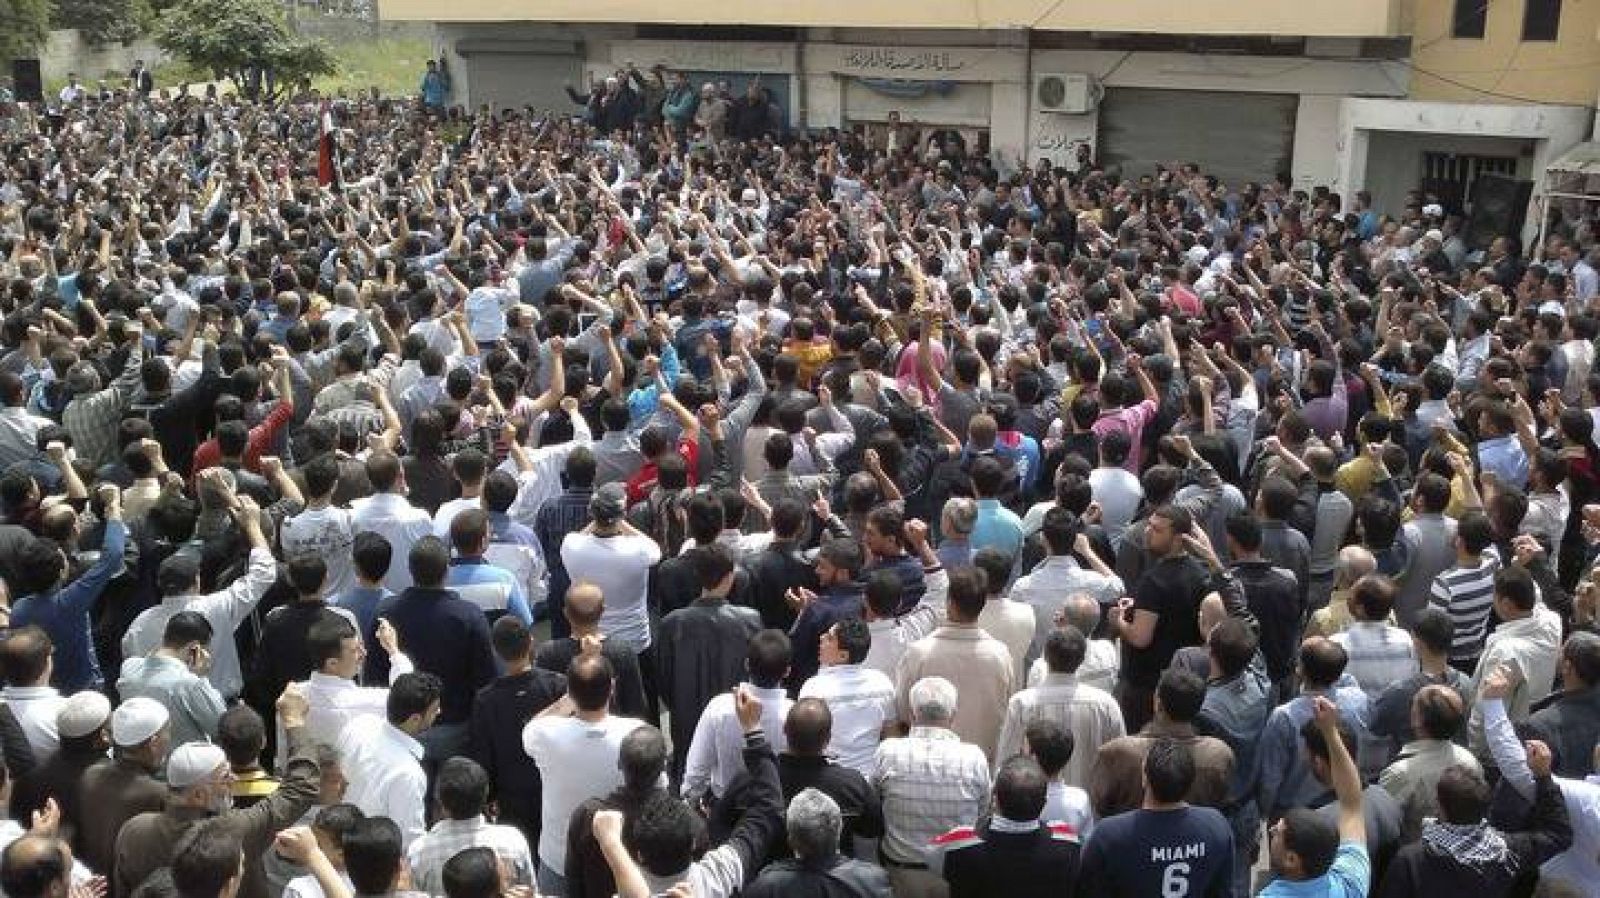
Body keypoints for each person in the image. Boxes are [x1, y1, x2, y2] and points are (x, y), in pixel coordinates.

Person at [113, 686, 320, 898]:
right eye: (224, 778)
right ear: (198, 796)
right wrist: (294, 722)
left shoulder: (134, 831)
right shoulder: (231, 831)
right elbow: (301, 787)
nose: (233, 780)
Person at [122, 491, 278, 702]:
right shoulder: (216, 607)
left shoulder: (139, 625)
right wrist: (252, 526)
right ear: (197, 581)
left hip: (163, 715)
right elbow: (264, 572)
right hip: (219, 706)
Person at [522, 653, 648, 895]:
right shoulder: (636, 734)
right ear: (612, 687)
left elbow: (531, 727)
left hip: (559, 859)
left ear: (570, 690)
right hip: (619, 858)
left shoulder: (545, 734)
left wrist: (570, 696)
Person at [364, 537, 496, 763]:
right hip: (454, 725)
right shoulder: (469, 616)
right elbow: (485, 677)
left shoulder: (385, 612)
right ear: (447, 571)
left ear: (410, 570)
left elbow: (373, 673)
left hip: (400, 727)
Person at [872, 677, 991, 898]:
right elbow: (983, 814)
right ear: (953, 716)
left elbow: (875, 804)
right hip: (955, 875)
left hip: (901, 873)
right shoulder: (974, 757)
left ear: (912, 714)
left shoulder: (887, 752)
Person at [657, 544, 763, 782]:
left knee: (687, 779)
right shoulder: (750, 620)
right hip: (735, 717)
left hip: (686, 720)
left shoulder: (671, 624)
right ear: (729, 576)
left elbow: (663, 682)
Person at [1076, 739, 1235, 898]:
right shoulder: (1216, 825)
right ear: (1190, 780)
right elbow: (1223, 891)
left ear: (1145, 777)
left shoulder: (1108, 835)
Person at [10, 482, 126, 692]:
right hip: (82, 689)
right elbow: (113, 555)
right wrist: (114, 510)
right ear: (60, 572)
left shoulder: (18, 610)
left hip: (47, 688)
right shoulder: (69, 602)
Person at [466, 615, 565, 852]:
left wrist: (488, 797)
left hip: (511, 797)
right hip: (553, 788)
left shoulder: (485, 700)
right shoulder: (557, 686)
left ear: (496, 651)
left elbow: (482, 753)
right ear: (531, 642)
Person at [1259, 697, 1372, 898]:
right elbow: (1351, 804)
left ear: (1292, 859)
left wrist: (1329, 731)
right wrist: (1330, 731)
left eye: (1278, 832)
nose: (1271, 829)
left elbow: (1350, 804)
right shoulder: (1350, 883)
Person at [1089, 667, 1235, 819]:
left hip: (1130, 839)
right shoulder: (1219, 754)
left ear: (1157, 703)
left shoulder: (1116, 753)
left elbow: (1098, 805)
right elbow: (1223, 804)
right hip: (1196, 839)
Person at [929, 755, 1082, 898]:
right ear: (1043, 804)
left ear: (995, 800)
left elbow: (931, 858)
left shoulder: (959, 844)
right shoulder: (1068, 842)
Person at [995, 626, 1124, 790]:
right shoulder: (1106, 705)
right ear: (1082, 659)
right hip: (1092, 809)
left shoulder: (1022, 704)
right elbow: (1119, 763)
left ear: (1046, 657)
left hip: (1031, 807)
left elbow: (1005, 762)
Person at [681, 630, 792, 805]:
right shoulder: (793, 714)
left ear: (747, 664)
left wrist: (690, 800)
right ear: (787, 672)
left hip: (725, 807)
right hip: (773, 809)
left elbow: (698, 767)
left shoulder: (719, 707)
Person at [335, 672, 440, 849]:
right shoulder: (408, 774)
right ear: (415, 719)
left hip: (338, 837)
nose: (439, 712)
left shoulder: (358, 724)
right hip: (373, 858)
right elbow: (409, 841)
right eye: (434, 709)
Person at [405, 758, 533, 894]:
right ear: (486, 796)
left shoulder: (420, 852)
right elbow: (529, 891)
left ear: (442, 805)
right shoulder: (513, 840)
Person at [77, 697, 170, 879]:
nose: (169, 738)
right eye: (168, 731)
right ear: (153, 743)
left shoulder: (91, 775)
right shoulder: (158, 794)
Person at [1378, 685, 1481, 842]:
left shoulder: (1400, 773)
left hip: (1414, 858)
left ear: (1418, 720)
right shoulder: (1469, 760)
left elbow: (1383, 826)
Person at [796, 618, 896, 777]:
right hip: (872, 779)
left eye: (829, 638)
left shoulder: (814, 688)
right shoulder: (882, 683)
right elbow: (891, 735)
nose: (821, 638)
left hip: (827, 778)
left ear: (843, 655)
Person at [534, 583, 648, 719]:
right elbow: (635, 705)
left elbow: (541, 705)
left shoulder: (547, 654)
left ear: (566, 613)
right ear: (603, 611)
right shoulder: (622, 652)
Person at [116, 611, 226, 749]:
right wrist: (201, 677)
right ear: (194, 649)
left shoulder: (129, 668)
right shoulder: (189, 684)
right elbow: (220, 725)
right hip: (183, 765)